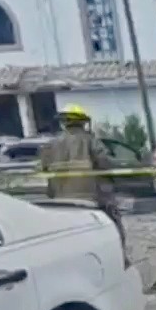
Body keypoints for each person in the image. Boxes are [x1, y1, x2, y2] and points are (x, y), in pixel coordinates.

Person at [40, 104, 127, 264]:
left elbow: (44, 169)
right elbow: (104, 162)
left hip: (61, 199)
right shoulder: (90, 141)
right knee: (113, 227)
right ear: (83, 122)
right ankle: (119, 260)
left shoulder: (51, 145)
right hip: (91, 197)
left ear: (64, 122)